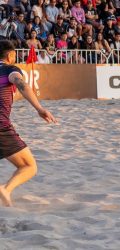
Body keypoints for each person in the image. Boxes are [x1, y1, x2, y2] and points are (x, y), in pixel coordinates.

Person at [0, 40, 57, 207]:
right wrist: (39, 108)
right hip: (1, 127)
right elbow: (21, 83)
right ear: (10, 55)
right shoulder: (9, 69)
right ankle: (6, 189)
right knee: (29, 166)